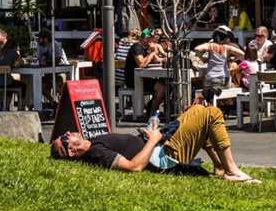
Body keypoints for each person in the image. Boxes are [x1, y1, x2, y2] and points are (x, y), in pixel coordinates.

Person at [50, 103, 257, 183]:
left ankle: (220, 167)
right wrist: (155, 140)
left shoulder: (94, 142)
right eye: (65, 138)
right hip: (165, 156)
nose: (68, 132)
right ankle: (231, 170)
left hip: (158, 144)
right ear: (70, 152)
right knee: (212, 114)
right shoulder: (96, 153)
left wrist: (149, 136)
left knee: (198, 110)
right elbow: (134, 167)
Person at [125, 29, 167, 116]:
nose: (154, 41)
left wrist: (162, 56)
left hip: (143, 78)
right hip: (134, 81)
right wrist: (152, 53)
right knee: (162, 87)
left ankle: (150, 107)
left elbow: (157, 60)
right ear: (145, 38)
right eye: (152, 39)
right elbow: (141, 64)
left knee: (167, 84)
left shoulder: (146, 48)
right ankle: (152, 113)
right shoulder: (136, 48)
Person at [194, 26, 244, 96]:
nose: (228, 39)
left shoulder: (210, 46)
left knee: (206, 90)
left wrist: (202, 58)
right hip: (224, 80)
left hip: (211, 79)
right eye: (226, 37)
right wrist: (233, 59)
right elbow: (242, 54)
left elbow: (197, 49)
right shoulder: (227, 48)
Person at [0, 28, 24, 95]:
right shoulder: (13, 52)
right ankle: (22, 105)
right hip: (5, 83)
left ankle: (5, 104)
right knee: (22, 85)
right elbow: (22, 63)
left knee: (10, 81)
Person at [37, 29, 68, 105]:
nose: (38, 40)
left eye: (40, 38)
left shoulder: (55, 45)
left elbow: (58, 59)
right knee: (40, 85)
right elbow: (39, 58)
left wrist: (47, 61)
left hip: (59, 72)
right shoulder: (40, 46)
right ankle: (52, 102)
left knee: (57, 85)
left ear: (46, 38)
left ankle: (65, 102)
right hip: (48, 73)